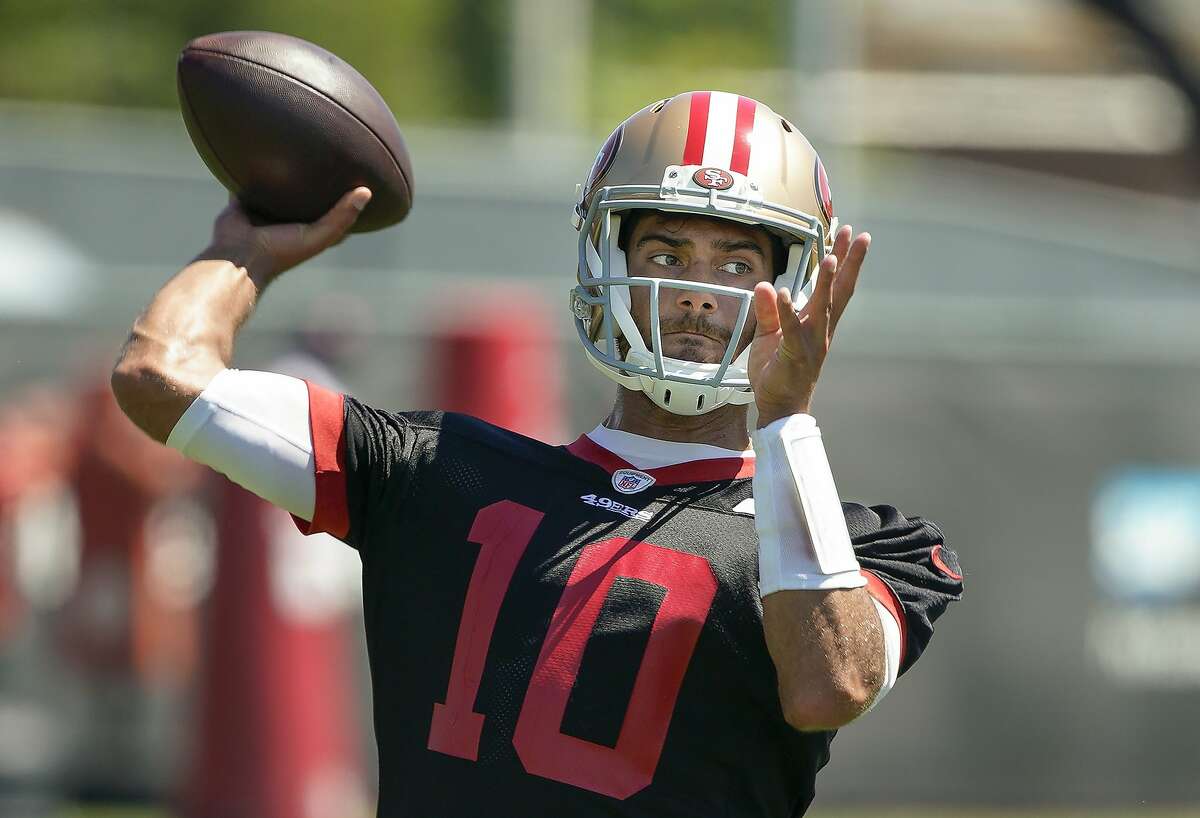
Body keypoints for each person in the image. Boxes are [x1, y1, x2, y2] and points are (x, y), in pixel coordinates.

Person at [112, 91, 963, 817]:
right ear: (607, 260)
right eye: (665, 252)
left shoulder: (864, 549)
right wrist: (245, 251)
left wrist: (785, 424)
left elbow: (828, 687)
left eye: (737, 262)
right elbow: (161, 377)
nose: (697, 292)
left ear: (797, 288)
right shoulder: (434, 468)